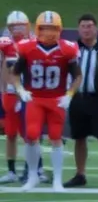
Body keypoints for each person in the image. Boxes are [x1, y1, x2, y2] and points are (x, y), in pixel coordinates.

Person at [11, 11, 81, 191]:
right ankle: (33, 175)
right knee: (32, 135)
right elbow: (15, 74)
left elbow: (78, 76)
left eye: (52, 29)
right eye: (45, 28)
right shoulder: (27, 48)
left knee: (56, 137)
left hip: (57, 99)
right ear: (37, 29)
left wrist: (69, 95)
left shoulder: (67, 49)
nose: (49, 33)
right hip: (35, 98)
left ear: (60, 30)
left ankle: (57, 179)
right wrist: (20, 90)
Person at [65, 13, 98, 188]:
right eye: (83, 26)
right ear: (78, 29)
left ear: (96, 28)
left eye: (89, 26)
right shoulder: (72, 48)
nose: (86, 30)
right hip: (78, 99)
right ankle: (80, 173)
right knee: (79, 138)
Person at [0, 11, 29, 183]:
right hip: (11, 92)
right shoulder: (5, 44)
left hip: (27, 93)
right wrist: (3, 91)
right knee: (10, 133)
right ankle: (11, 170)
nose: (17, 29)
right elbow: (3, 69)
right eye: (14, 26)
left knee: (29, 134)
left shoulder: (32, 43)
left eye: (21, 25)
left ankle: (32, 169)